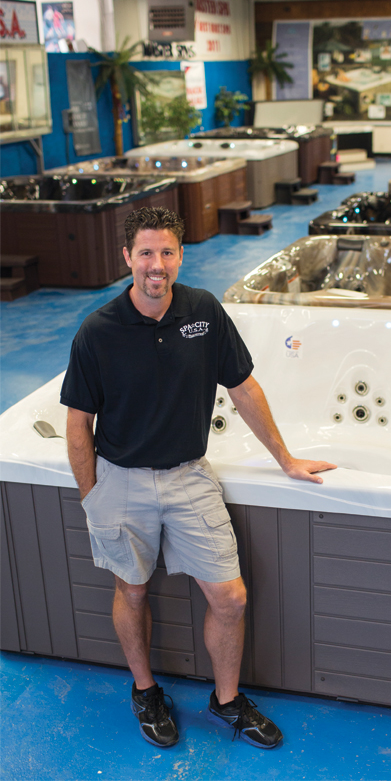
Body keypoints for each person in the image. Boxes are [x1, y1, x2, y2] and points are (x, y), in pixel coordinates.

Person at [61, 206, 336, 750]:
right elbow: (77, 424)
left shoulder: (203, 312)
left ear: (181, 256)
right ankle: (146, 692)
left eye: (167, 252)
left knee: (230, 597)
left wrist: (285, 459)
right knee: (131, 591)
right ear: (127, 257)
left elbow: (243, 387)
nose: (156, 265)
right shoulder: (98, 331)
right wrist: (93, 497)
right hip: (121, 478)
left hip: (189, 475)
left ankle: (226, 700)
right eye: (145, 252)